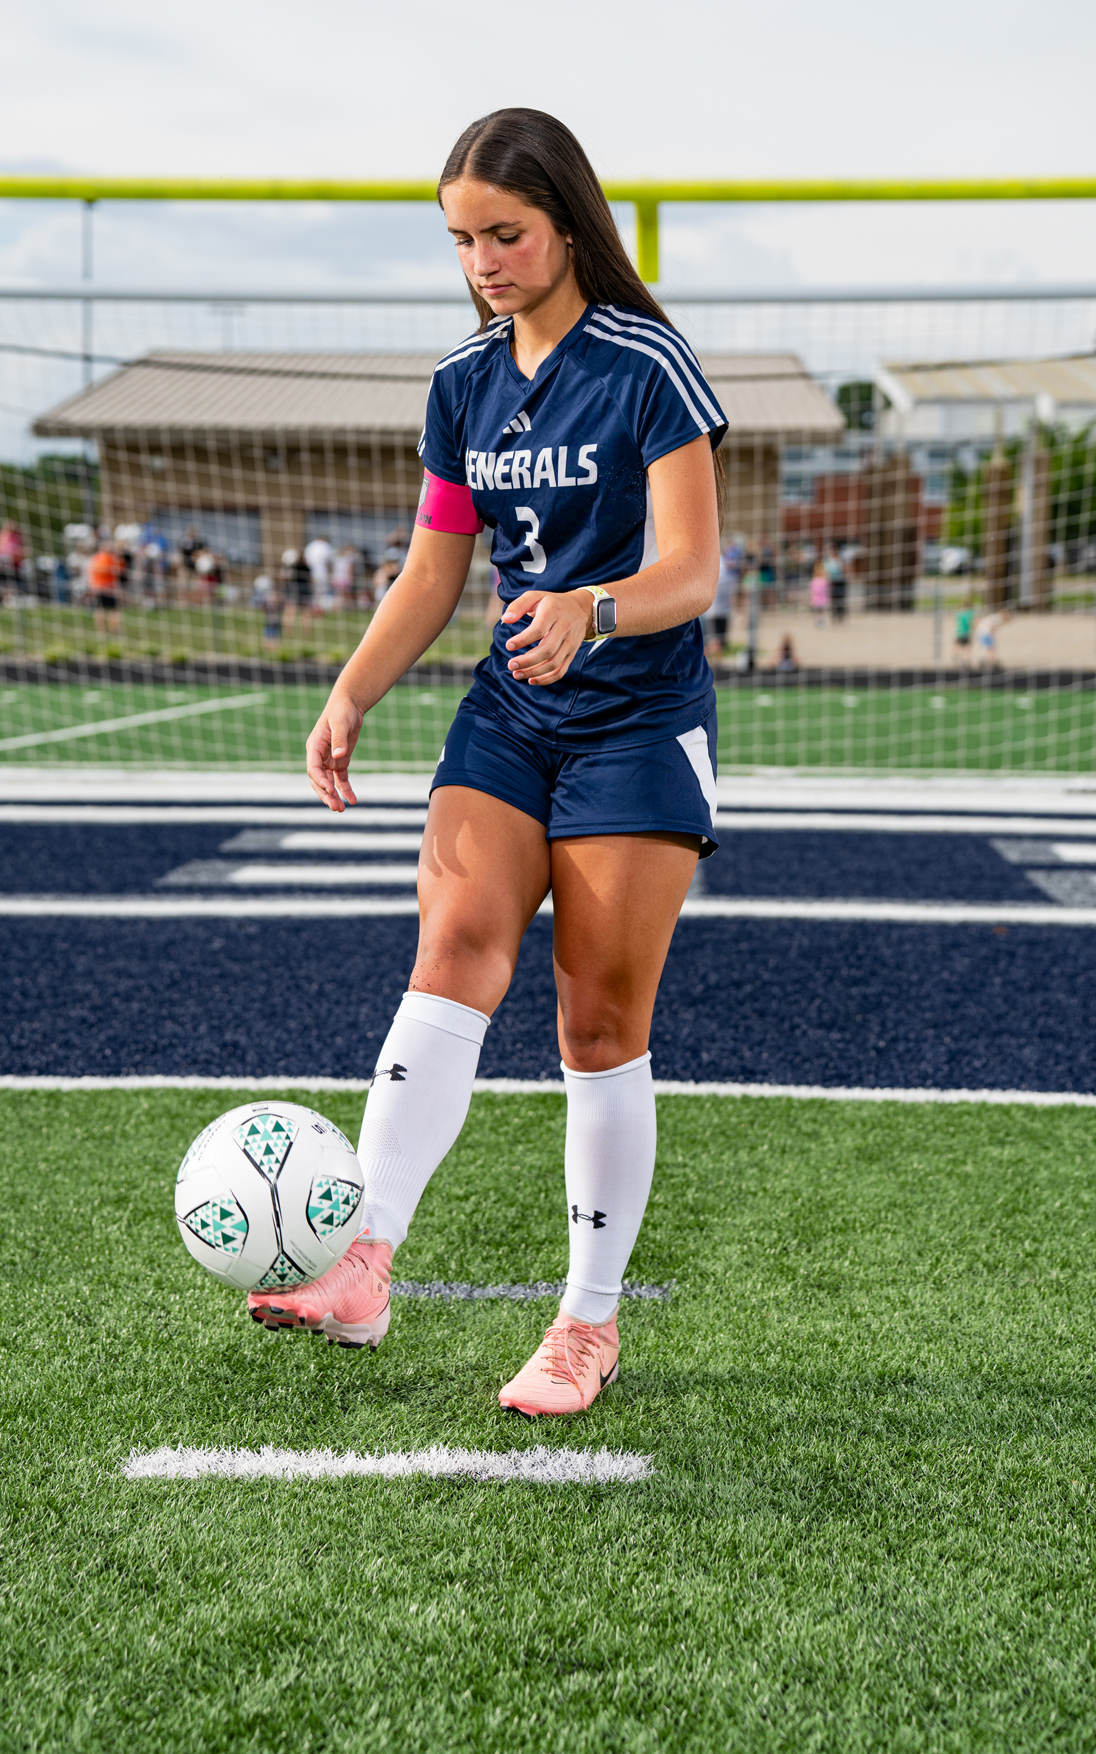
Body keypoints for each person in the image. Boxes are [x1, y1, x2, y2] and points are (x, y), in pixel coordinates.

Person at [247, 107, 727, 1419]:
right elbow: (432, 570)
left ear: (566, 223)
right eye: (462, 241)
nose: (482, 264)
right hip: (511, 712)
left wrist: (594, 607)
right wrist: (350, 689)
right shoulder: (461, 384)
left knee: (595, 1021)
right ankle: (363, 1261)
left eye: (504, 235)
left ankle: (586, 1324)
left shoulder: (646, 364)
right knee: (454, 946)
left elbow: (694, 568)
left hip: (636, 718)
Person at [704, 543, 734, 658]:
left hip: (718, 610)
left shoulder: (721, 564)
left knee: (718, 639)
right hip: (716, 610)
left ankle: (716, 658)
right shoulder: (720, 564)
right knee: (716, 639)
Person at [87, 539, 122, 634]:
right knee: (111, 610)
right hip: (107, 588)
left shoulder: (95, 558)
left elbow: (90, 572)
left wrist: (92, 585)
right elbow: (116, 571)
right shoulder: (108, 558)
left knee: (102, 609)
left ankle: (103, 631)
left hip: (99, 587)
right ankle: (113, 630)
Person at [824, 542, 847, 622]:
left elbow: (845, 570)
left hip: (840, 582)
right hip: (831, 582)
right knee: (832, 600)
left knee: (840, 599)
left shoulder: (840, 559)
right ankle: (834, 616)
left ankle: (841, 616)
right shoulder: (827, 561)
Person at [808, 560, 830, 627]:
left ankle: (822, 622)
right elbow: (812, 590)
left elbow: (827, 589)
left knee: (822, 611)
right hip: (817, 599)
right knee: (818, 612)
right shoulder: (814, 580)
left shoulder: (824, 580)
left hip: (822, 598)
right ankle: (819, 622)